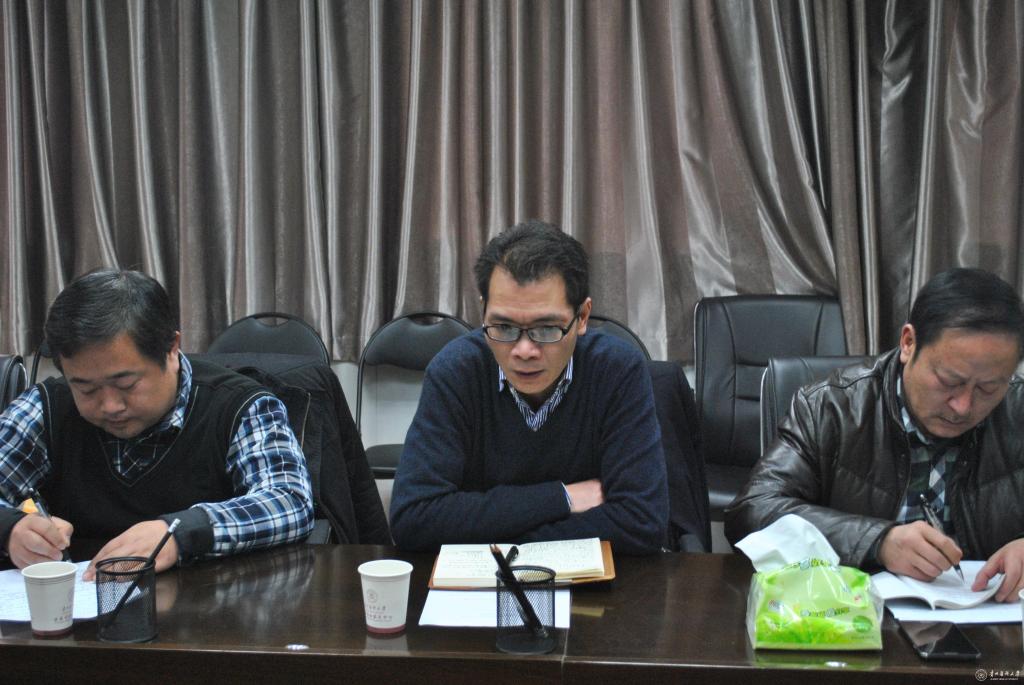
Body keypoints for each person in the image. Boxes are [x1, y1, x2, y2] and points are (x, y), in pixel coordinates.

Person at [725, 268, 1024, 602]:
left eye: (988, 388)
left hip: (994, 620)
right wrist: (876, 541)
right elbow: (752, 512)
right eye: (949, 381)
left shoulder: (1018, 410)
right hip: (850, 615)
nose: (963, 406)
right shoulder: (831, 407)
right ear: (908, 343)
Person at [0, 269, 314, 578]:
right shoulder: (46, 408)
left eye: (126, 384)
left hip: (208, 602)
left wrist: (181, 533)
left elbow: (289, 502)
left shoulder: (238, 406)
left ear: (171, 349)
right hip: (79, 601)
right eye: (86, 389)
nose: (110, 405)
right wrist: (11, 528)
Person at [389, 220, 668, 554]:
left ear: (582, 317)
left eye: (546, 328)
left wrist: (494, 530)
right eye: (503, 327)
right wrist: (561, 497)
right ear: (483, 311)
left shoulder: (617, 371)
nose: (524, 350)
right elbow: (414, 518)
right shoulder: (456, 371)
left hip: (592, 582)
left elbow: (642, 521)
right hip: (480, 583)